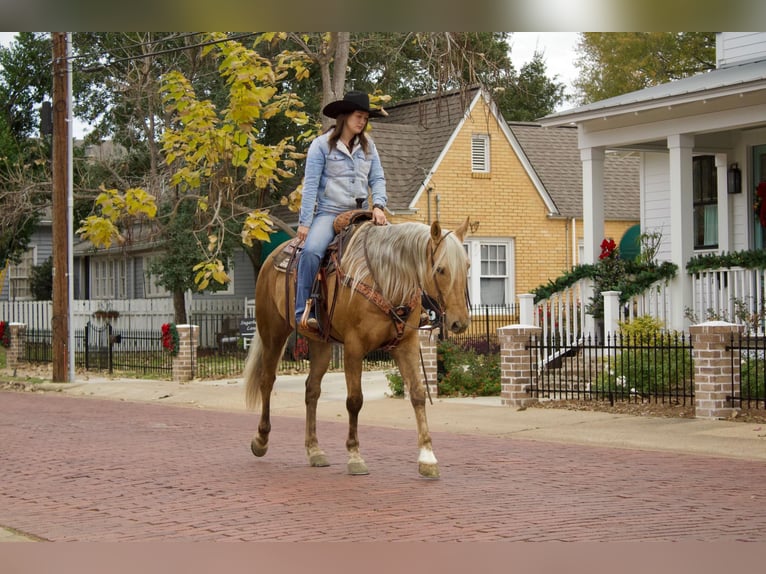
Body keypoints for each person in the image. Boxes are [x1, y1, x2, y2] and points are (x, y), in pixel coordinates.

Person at [295, 91, 388, 333]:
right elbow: (310, 186)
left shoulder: (369, 148)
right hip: (329, 213)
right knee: (312, 251)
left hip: (361, 214)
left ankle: (408, 307)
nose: (362, 122)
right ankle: (304, 311)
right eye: (359, 116)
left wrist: (378, 205)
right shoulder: (321, 146)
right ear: (345, 116)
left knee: (397, 248)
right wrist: (305, 222)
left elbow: (377, 178)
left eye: (366, 118)